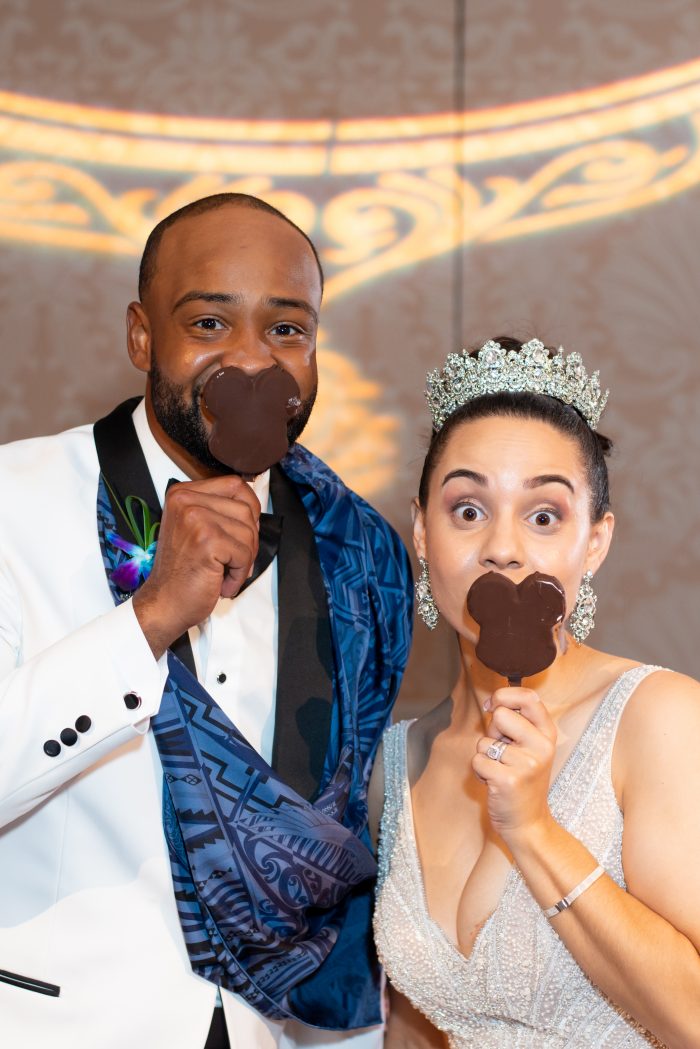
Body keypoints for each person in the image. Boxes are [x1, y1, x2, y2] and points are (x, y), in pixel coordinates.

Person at [0, 193, 413, 1049]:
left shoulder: (360, 552)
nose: (252, 363)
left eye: (287, 330)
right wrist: (147, 619)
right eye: (210, 323)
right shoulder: (15, 503)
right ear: (142, 336)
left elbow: (346, 839)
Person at [370, 336, 700, 1048]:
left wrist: (535, 830)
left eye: (544, 515)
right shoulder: (399, 757)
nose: (504, 547)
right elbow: (416, 1025)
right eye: (467, 509)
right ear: (422, 532)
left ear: (595, 541)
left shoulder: (659, 717)